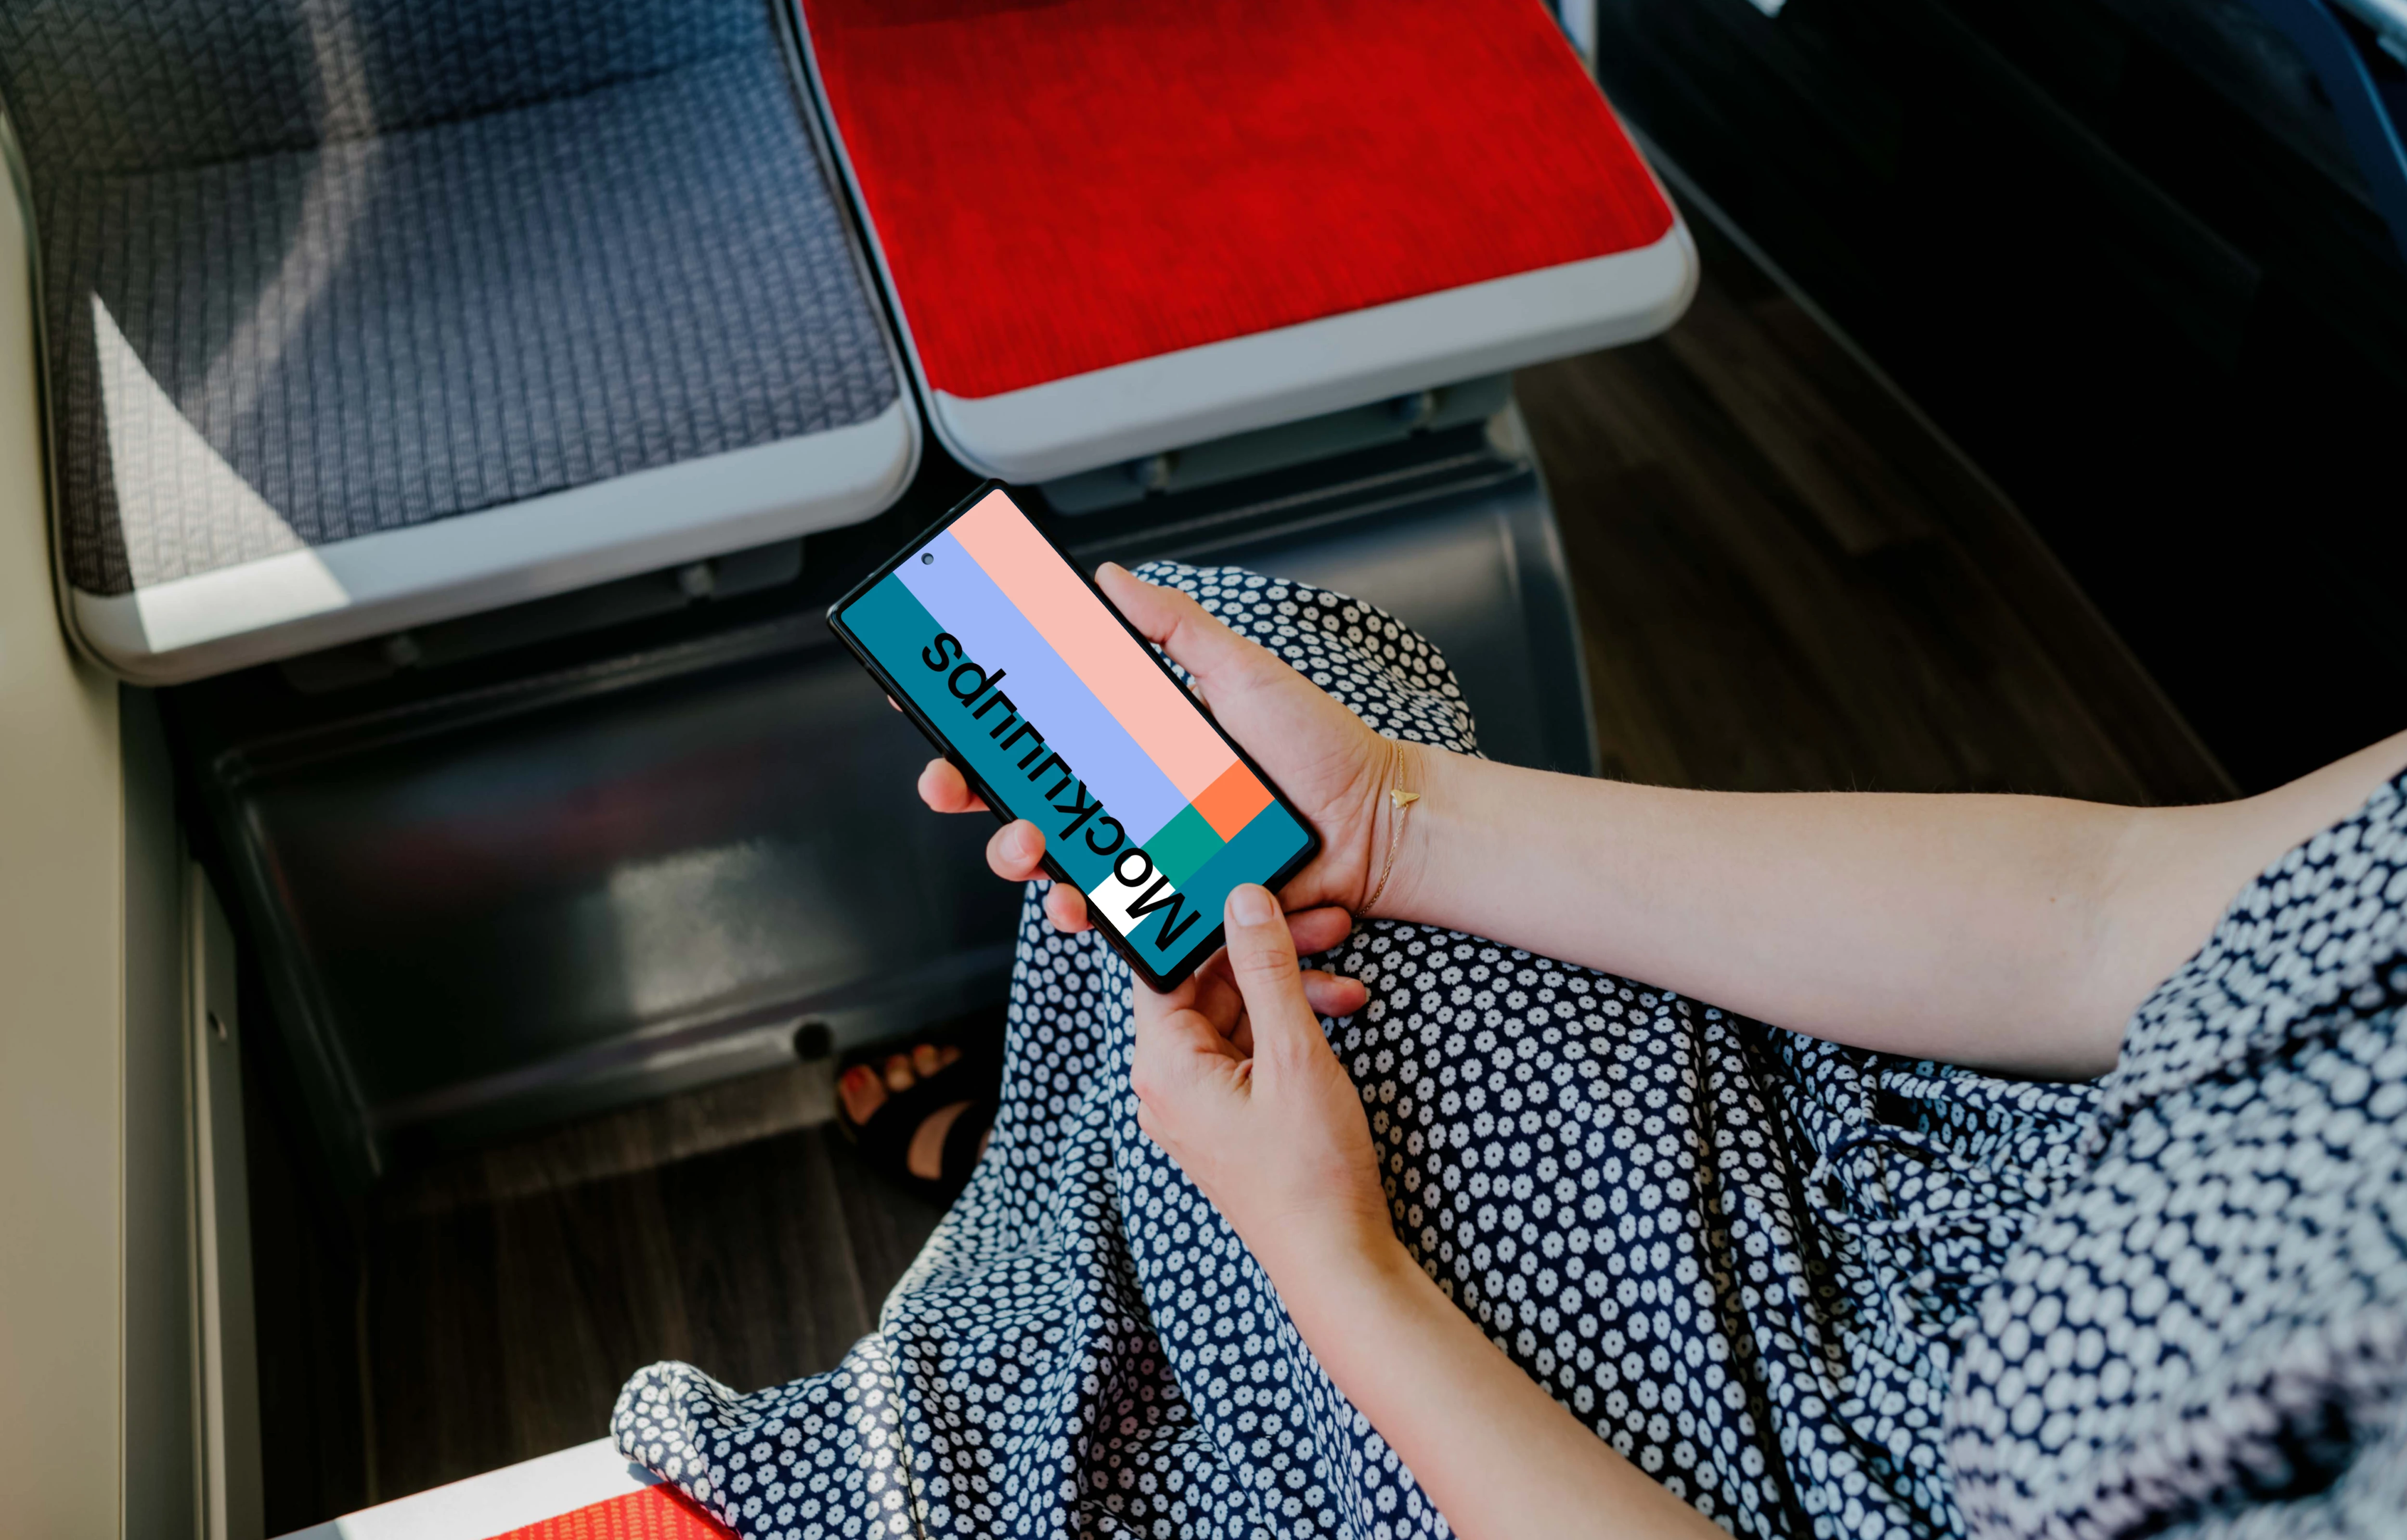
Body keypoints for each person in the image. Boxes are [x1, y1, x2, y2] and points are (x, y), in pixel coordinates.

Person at [618, 562, 2407, 1540]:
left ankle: (1040, 1198)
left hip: (1803, 1488)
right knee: (1228, 678)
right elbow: (2119, 911)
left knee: (1181, 1093)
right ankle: (1068, 1167)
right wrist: (1398, 818)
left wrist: (1338, 1260)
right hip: (1936, 1161)